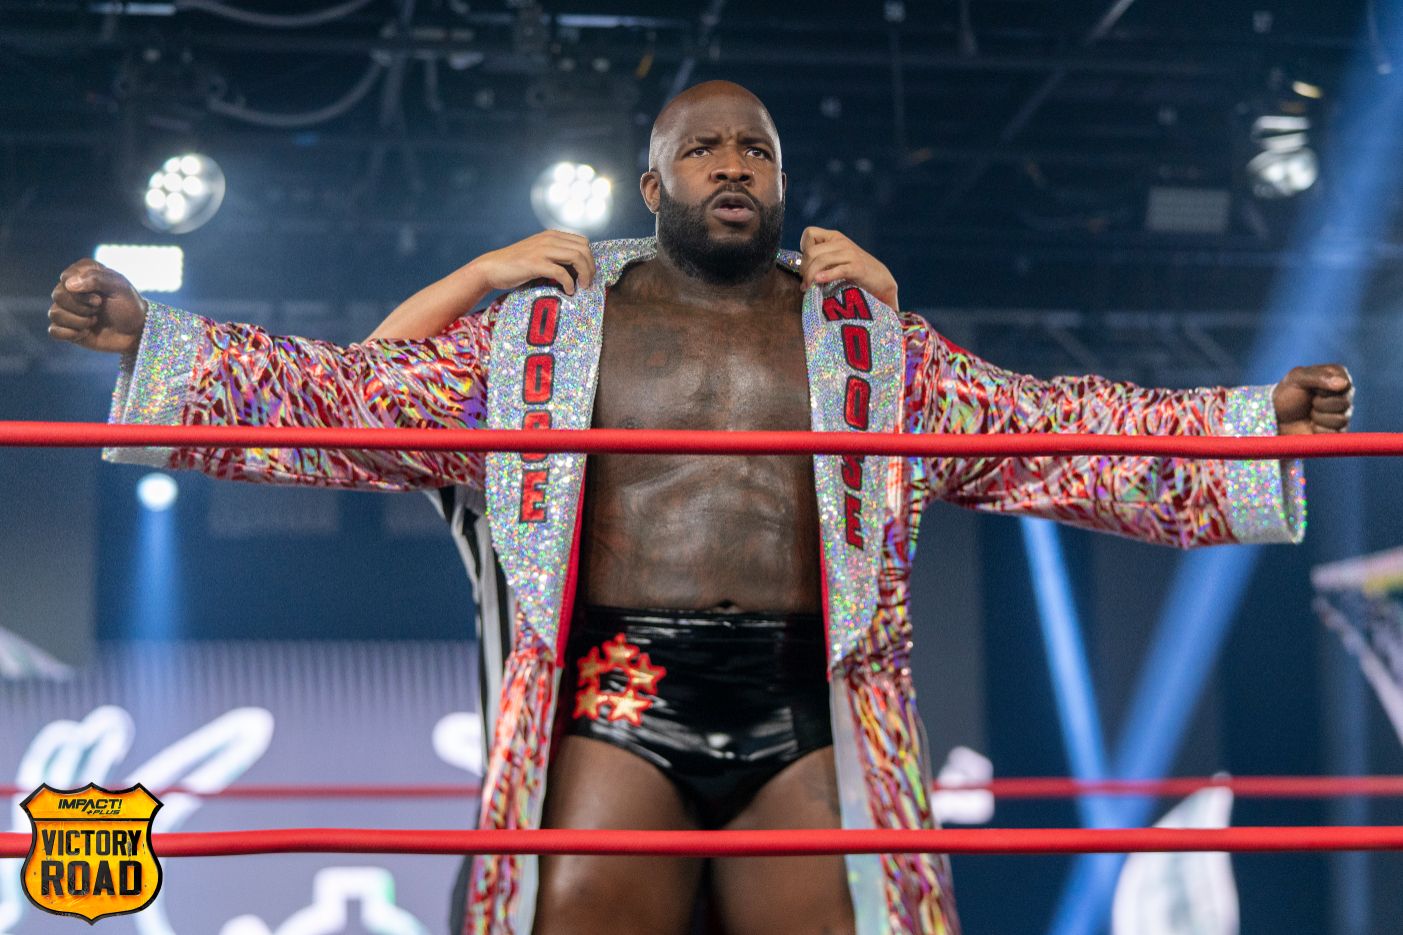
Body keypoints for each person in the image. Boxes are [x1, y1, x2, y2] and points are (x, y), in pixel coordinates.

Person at [47, 80, 1353, 935]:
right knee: (563, 911)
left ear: (783, 180)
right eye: (704, 148)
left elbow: (1054, 431)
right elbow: (353, 400)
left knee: (847, 918)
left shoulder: (867, 344)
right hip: (620, 687)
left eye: (758, 149)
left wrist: (1251, 426)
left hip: (809, 695)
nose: (734, 164)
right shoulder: (545, 337)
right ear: (652, 184)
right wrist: (149, 339)